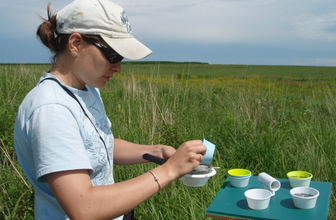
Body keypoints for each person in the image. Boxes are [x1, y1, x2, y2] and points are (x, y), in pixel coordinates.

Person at [13, 0, 207, 219]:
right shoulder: (51, 109)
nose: (118, 67)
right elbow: (84, 208)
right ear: (75, 43)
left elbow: (97, 146)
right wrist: (169, 170)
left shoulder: (85, 89)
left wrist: (158, 151)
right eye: (113, 55)